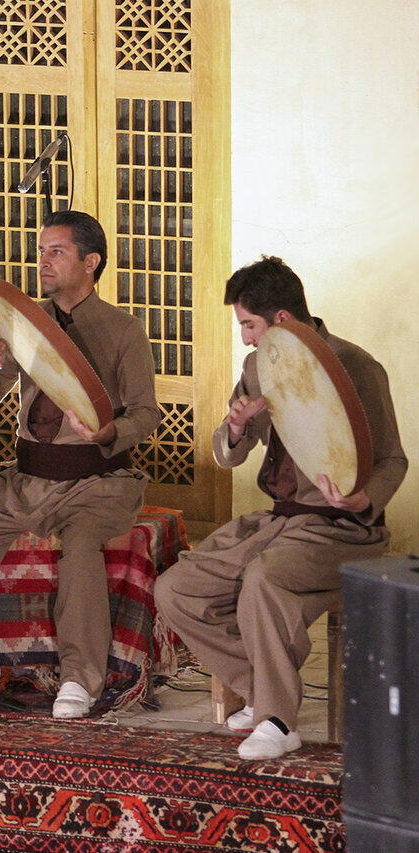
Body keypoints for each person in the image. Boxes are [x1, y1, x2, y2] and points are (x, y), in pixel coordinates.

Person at [155, 256, 406, 759]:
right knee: (176, 589)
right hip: (278, 520)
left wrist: (364, 497)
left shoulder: (357, 367)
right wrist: (236, 427)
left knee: (264, 580)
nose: (246, 339)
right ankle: (266, 691)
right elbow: (227, 455)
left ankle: (276, 719)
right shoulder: (257, 367)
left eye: (249, 325)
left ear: (283, 320)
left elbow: (393, 461)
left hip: (344, 529)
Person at [0, 210, 160, 718]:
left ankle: (80, 678)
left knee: (79, 549)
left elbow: (146, 414)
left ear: (90, 261)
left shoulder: (124, 330)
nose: (43, 262)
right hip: (25, 477)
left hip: (96, 481)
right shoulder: (27, 322)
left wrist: (108, 432)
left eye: (57, 251)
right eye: (40, 251)